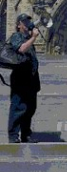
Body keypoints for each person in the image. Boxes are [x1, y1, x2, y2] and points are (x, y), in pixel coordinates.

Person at [8, 13, 41, 143]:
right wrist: (33, 38)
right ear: (18, 25)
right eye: (24, 22)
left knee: (30, 107)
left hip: (31, 78)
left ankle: (26, 134)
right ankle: (13, 135)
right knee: (18, 106)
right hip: (20, 77)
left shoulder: (27, 38)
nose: (28, 23)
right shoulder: (16, 36)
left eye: (28, 21)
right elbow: (21, 49)